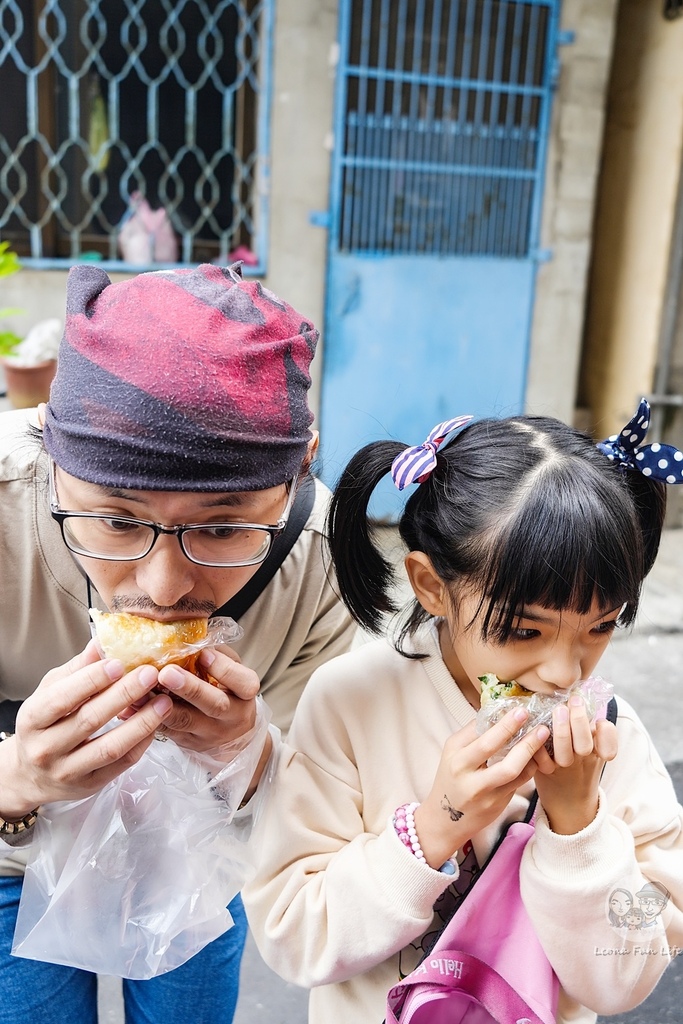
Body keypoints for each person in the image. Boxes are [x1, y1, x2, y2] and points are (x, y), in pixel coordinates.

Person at [243, 404, 683, 1024]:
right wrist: (434, 827)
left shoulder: (613, 735)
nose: (565, 673)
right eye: (525, 630)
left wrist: (578, 824)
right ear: (431, 587)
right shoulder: (351, 703)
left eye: (600, 626)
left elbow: (626, 981)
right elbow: (294, 935)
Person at [0, 262, 355, 1024]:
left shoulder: (322, 562)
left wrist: (246, 753)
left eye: (222, 528)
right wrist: (17, 777)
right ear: (53, 458)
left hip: (198, 849)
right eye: (116, 521)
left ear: (297, 473)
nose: (163, 589)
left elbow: (329, 803)